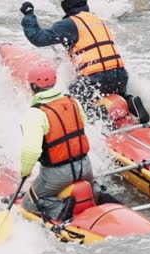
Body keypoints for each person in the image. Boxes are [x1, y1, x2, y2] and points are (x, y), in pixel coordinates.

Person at [19, 0, 148, 122]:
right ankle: (131, 101)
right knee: (117, 91)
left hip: (96, 79)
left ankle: (98, 115)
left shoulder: (69, 24)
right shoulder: (97, 19)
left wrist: (29, 15)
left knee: (75, 95)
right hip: (120, 75)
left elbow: (38, 38)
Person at [19, 63, 101, 223]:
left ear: (33, 86)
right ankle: (97, 192)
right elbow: (81, 124)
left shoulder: (35, 114)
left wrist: (25, 172)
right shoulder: (72, 102)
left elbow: (31, 151)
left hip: (56, 176)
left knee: (29, 203)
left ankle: (62, 209)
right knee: (90, 182)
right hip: (85, 167)